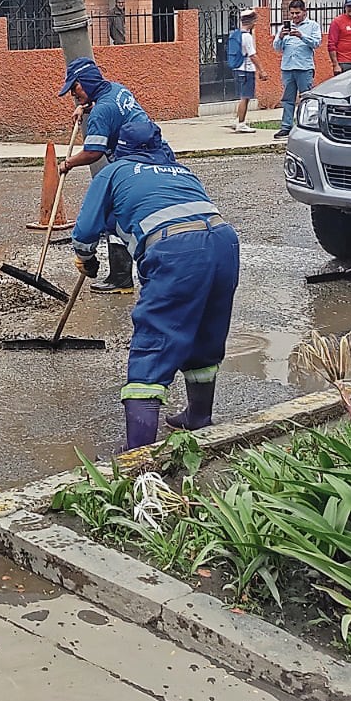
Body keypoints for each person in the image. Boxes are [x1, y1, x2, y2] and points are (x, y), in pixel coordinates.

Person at [72, 121, 240, 450]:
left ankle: (138, 450)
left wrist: (86, 259)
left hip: (176, 251)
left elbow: (85, 229)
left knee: (154, 343)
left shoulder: (113, 171)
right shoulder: (180, 170)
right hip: (223, 242)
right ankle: (198, 417)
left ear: (118, 147)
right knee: (206, 333)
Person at [55, 57, 152, 294]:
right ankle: (122, 277)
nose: (73, 95)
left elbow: (93, 152)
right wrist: (83, 107)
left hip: (131, 164)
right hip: (152, 155)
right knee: (121, 217)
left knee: (113, 216)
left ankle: (122, 278)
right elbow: (106, 105)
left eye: (75, 88)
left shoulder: (101, 112)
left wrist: (68, 163)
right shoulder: (117, 89)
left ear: (87, 81)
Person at [275, 0, 322, 139]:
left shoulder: (312, 26)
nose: (294, 16)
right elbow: (276, 48)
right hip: (288, 68)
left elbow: (316, 43)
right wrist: (281, 37)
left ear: (304, 12)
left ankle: (306, 125)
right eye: (292, 13)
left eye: (297, 13)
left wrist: (302, 36)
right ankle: (286, 126)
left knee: (306, 98)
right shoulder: (284, 28)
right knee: (287, 99)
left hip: (304, 67)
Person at [229, 9, 265, 134]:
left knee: (242, 97)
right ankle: (241, 123)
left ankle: (238, 120)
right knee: (246, 97)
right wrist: (261, 70)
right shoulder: (247, 37)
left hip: (238, 68)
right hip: (246, 69)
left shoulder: (236, 34)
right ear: (252, 21)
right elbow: (253, 55)